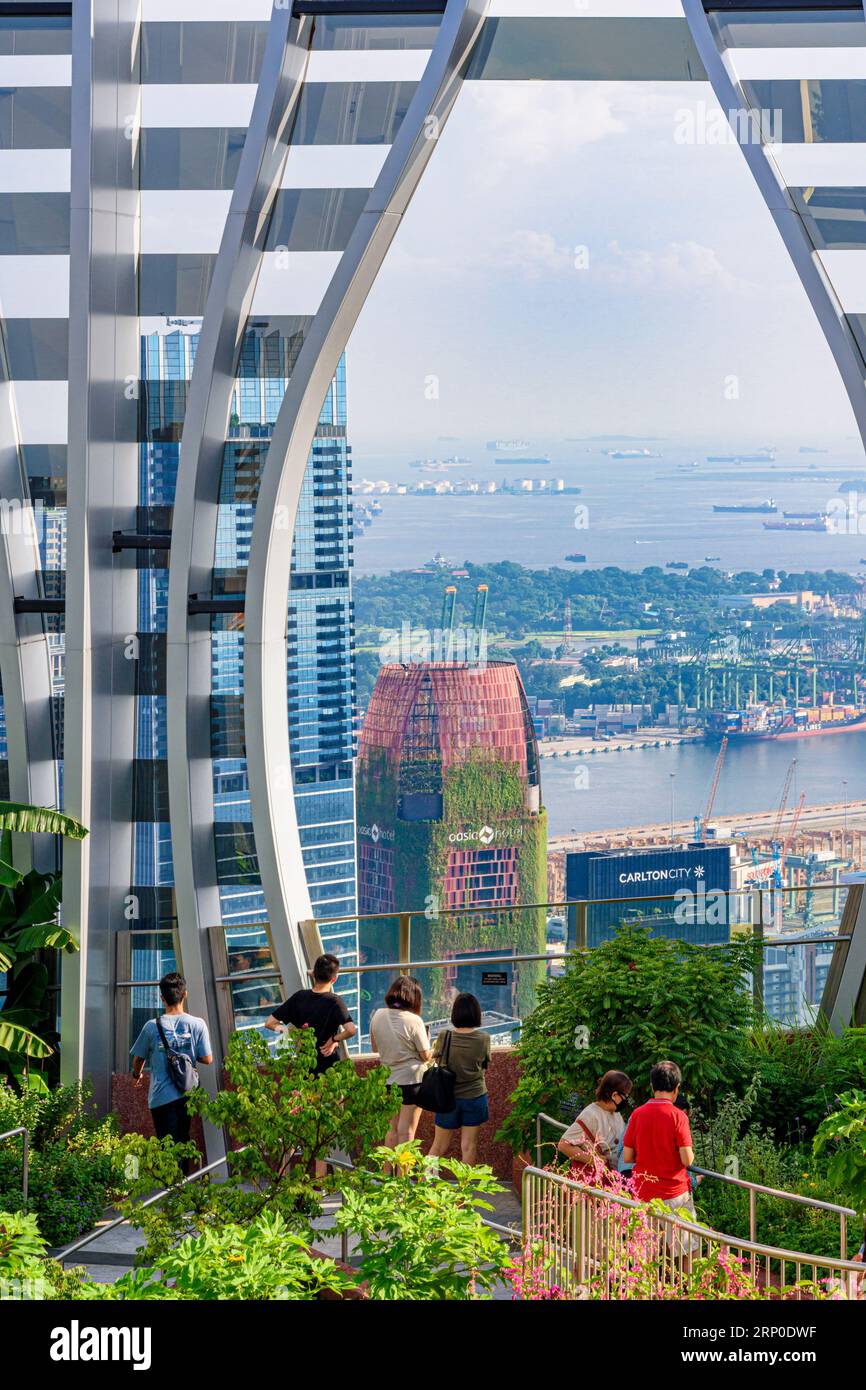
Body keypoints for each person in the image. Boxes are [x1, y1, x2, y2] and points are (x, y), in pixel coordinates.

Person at [131, 971, 213, 1174]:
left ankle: (171, 1188)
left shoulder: (151, 1026)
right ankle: (183, 1188)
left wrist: (137, 1075)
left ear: (162, 997)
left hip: (160, 1096)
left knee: (167, 1143)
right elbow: (207, 1059)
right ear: (184, 995)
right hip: (188, 1093)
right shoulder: (197, 1024)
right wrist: (187, 1053)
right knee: (183, 1138)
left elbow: (138, 1058)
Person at [622, 1060, 697, 1240]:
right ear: (676, 1088)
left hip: (644, 1192)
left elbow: (628, 1156)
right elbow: (688, 1160)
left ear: (652, 1086)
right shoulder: (679, 1116)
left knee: (645, 1253)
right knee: (687, 1249)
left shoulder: (637, 1114)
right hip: (674, 1193)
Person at [427, 993, 491, 1167]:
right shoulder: (483, 1039)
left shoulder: (444, 1036)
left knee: (438, 1146)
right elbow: (485, 1065)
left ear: (455, 1013)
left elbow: (438, 1062)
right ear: (476, 1013)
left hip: (447, 1098)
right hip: (475, 1096)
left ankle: (424, 1186)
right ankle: (465, 1193)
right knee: (469, 1146)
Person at [265, 952, 356, 1072]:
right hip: (328, 1062)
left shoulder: (299, 997)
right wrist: (334, 1039)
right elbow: (351, 1030)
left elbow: (269, 1023)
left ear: (313, 974)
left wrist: (290, 1032)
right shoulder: (335, 1002)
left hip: (305, 1062)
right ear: (334, 979)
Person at [370, 976, 432, 1149]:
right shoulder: (414, 1020)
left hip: (388, 1079)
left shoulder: (378, 1015)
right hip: (411, 1081)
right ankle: (403, 1175)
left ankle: (387, 1173)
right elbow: (425, 1055)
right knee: (407, 1130)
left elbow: (375, 1048)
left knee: (391, 1129)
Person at [557, 1070, 633, 1171]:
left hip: (617, 1176)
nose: (626, 1101)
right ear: (614, 1095)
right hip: (599, 1179)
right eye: (625, 1096)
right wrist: (593, 1160)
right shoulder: (590, 1115)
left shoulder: (616, 1113)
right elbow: (563, 1145)